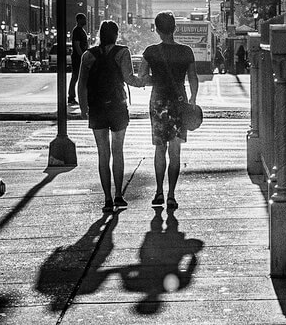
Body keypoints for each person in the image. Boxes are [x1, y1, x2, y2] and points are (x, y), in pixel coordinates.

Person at [77, 20, 146, 212]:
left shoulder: (88, 55)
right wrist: (146, 80)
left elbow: (81, 84)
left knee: (103, 153)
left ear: (100, 34)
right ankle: (118, 195)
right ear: (116, 35)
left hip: (97, 108)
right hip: (117, 106)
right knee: (118, 151)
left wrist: (84, 108)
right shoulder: (122, 53)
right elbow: (129, 79)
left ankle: (107, 198)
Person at [138, 11, 199, 211]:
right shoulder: (186, 51)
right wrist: (192, 99)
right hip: (179, 103)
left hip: (158, 102)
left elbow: (142, 77)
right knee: (175, 150)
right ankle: (172, 194)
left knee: (159, 148)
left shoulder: (150, 51)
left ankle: (158, 192)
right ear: (175, 28)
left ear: (156, 29)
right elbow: (193, 78)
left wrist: (155, 79)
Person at [67, 12, 89, 105]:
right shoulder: (77, 31)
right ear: (79, 20)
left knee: (78, 77)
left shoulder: (80, 30)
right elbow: (76, 45)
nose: (85, 21)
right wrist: (82, 56)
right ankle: (71, 96)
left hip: (79, 57)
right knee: (75, 76)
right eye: (84, 19)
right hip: (77, 58)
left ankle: (74, 96)